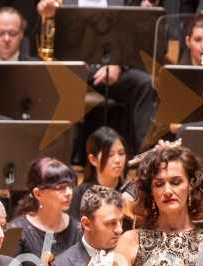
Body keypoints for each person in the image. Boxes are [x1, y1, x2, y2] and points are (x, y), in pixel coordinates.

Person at [36, 0, 159, 153]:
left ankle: (146, 157)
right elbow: (48, 45)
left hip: (111, 67)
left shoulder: (119, 2)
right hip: (73, 71)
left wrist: (117, 64)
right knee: (64, 85)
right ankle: (61, 156)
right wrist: (48, 18)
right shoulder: (63, 2)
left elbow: (128, 39)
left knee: (144, 84)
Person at [10, 157, 82, 266]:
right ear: (38, 194)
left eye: (70, 186)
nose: (69, 193)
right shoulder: (16, 230)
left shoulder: (78, 229)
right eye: (60, 188)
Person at [70, 127, 129, 220]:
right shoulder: (78, 195)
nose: (118, 160)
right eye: (110, 155)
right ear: (93, 159)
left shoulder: (130, 192)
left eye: (121, 153)